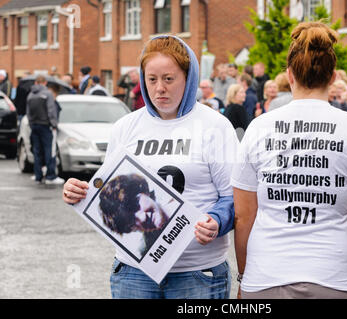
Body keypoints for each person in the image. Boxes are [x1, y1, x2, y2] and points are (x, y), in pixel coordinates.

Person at [62, 35, 238, 299]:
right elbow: (109, 190)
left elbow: (235, 196)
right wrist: (78, 191)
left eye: (169, 79)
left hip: (197, 273)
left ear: (188, 78)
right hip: (134, 272)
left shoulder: (215, 126)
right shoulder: (126, 126)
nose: (159, 89)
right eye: (151, 79)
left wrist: (217, 221)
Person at [232, 21, 347, 299]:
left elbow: (243, 217)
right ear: (332, 77)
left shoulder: (259, 127)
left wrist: (245, 278)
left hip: (266, 278)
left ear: (290, 75)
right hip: (337, 279)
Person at [99, 174, 170, 258]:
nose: (142, 218)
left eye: (135, 206)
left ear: (145, 192)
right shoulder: (148, 252)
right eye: (132, 222)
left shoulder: (179, 198)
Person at [26, 75, 64, 185]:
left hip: (34, 126)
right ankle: (50, 176)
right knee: (50, 151)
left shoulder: (30, 95)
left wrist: (31, 124)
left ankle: (38, 176)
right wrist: (54, 124)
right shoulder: (47, 94)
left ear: (36, 82)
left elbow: (28, 113)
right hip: (46, 127)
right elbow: (51, 110)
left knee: (37, 152)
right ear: (45, 83)